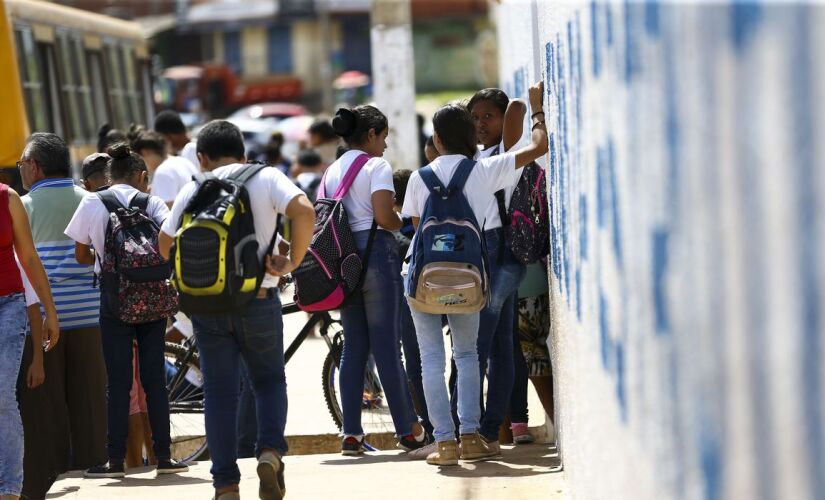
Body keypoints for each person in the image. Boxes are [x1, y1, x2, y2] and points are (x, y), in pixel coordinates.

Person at [158, 120, 316, 500]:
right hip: (259, 301)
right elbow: (304, 209)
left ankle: (225, 483)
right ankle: (269, 453)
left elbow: (165, 246)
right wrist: (290, 261)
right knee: (268, 382)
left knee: (219, 393)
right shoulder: (264, 177)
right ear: (243, 153)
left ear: (201, 158)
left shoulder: (194, 187)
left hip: (208, 307)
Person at [401, 83, 548, 465]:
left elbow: (417, 227)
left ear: (435, 138)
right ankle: (471, 436)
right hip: (472, 277)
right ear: (471, 136)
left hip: (425, 279)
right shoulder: (484, 170)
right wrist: (537, 112)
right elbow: (537, 147)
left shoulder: (419, 178)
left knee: (430, 359)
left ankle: (445, 442)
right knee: (468, 355)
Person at [65, 143, 188, 479]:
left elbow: (80, 254)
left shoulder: (93, 201)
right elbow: (170, 239)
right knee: (154, 382)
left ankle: (115, 460)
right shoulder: (153, 203)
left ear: (108, 176)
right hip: (152, 300)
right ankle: (163, 456)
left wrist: (109, 261)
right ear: (141, 176)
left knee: (118, 383)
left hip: (114, 302)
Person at [325, 106, 426, 456]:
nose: (384, 146)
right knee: (386, 348)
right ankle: (409, 431)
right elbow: (384, 217)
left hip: (344, 264)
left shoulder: (331, 170)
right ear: (371, 134)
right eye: (383, 137)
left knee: (353, 349)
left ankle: (350, 433)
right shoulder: (375, 166)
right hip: (377, 259)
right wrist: (403, 220)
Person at [17, 133, 108, 492]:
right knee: (89, 405)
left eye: (23, 163)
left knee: (43, 410)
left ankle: (43, 485)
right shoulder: (91, 201)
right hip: (90, 317)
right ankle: (94, 480)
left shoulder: (22, 207)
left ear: (35, 166)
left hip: (42, 323)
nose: (21, 169)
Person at [447, 86, 530, 454]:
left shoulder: (504, 154)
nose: (481, 125)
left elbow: (516, 107)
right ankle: (489, 430)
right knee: (499, 346)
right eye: (475, 119)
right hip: (491, 257)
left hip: (499, 257)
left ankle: (479, 429)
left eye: (488, 117)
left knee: (477, 348)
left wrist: (533, 106)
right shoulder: (477, 158)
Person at [1, 181, 59, 500]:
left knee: (2, 394)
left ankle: (9, 489)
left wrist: (50, 311)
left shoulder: (8, 199)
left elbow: (29, 256)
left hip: (9, 303)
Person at [391, 169, 432, 439]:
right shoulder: (426, 215)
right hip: (439, 288)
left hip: (410, 296)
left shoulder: (394, 227)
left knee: (415, 361)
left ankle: (429, 425)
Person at [132, 130, 199, 206]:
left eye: (140, 159)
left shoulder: (163, 171)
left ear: (145, 152)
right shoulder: (184, 161)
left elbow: (167, 209)